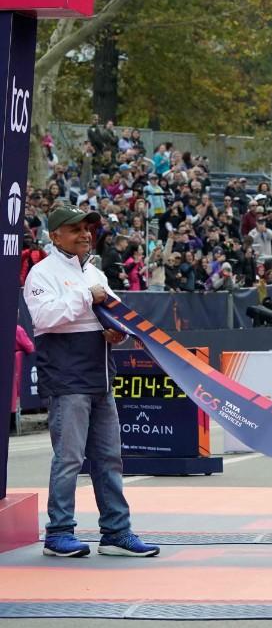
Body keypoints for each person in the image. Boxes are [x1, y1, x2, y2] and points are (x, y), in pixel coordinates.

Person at [21, 205, 160, 558]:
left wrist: (117, 334)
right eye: (75, 229)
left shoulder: (96, 272)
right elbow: (44, 317)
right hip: (67, 379)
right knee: (68, 458)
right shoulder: (41, 273)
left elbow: (108, 317)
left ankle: (116, 531)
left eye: (88, 229)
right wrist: (88, 295)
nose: (85, 234)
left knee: (110, 458)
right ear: (54, 235)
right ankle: (58, 532)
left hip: (101, 376)